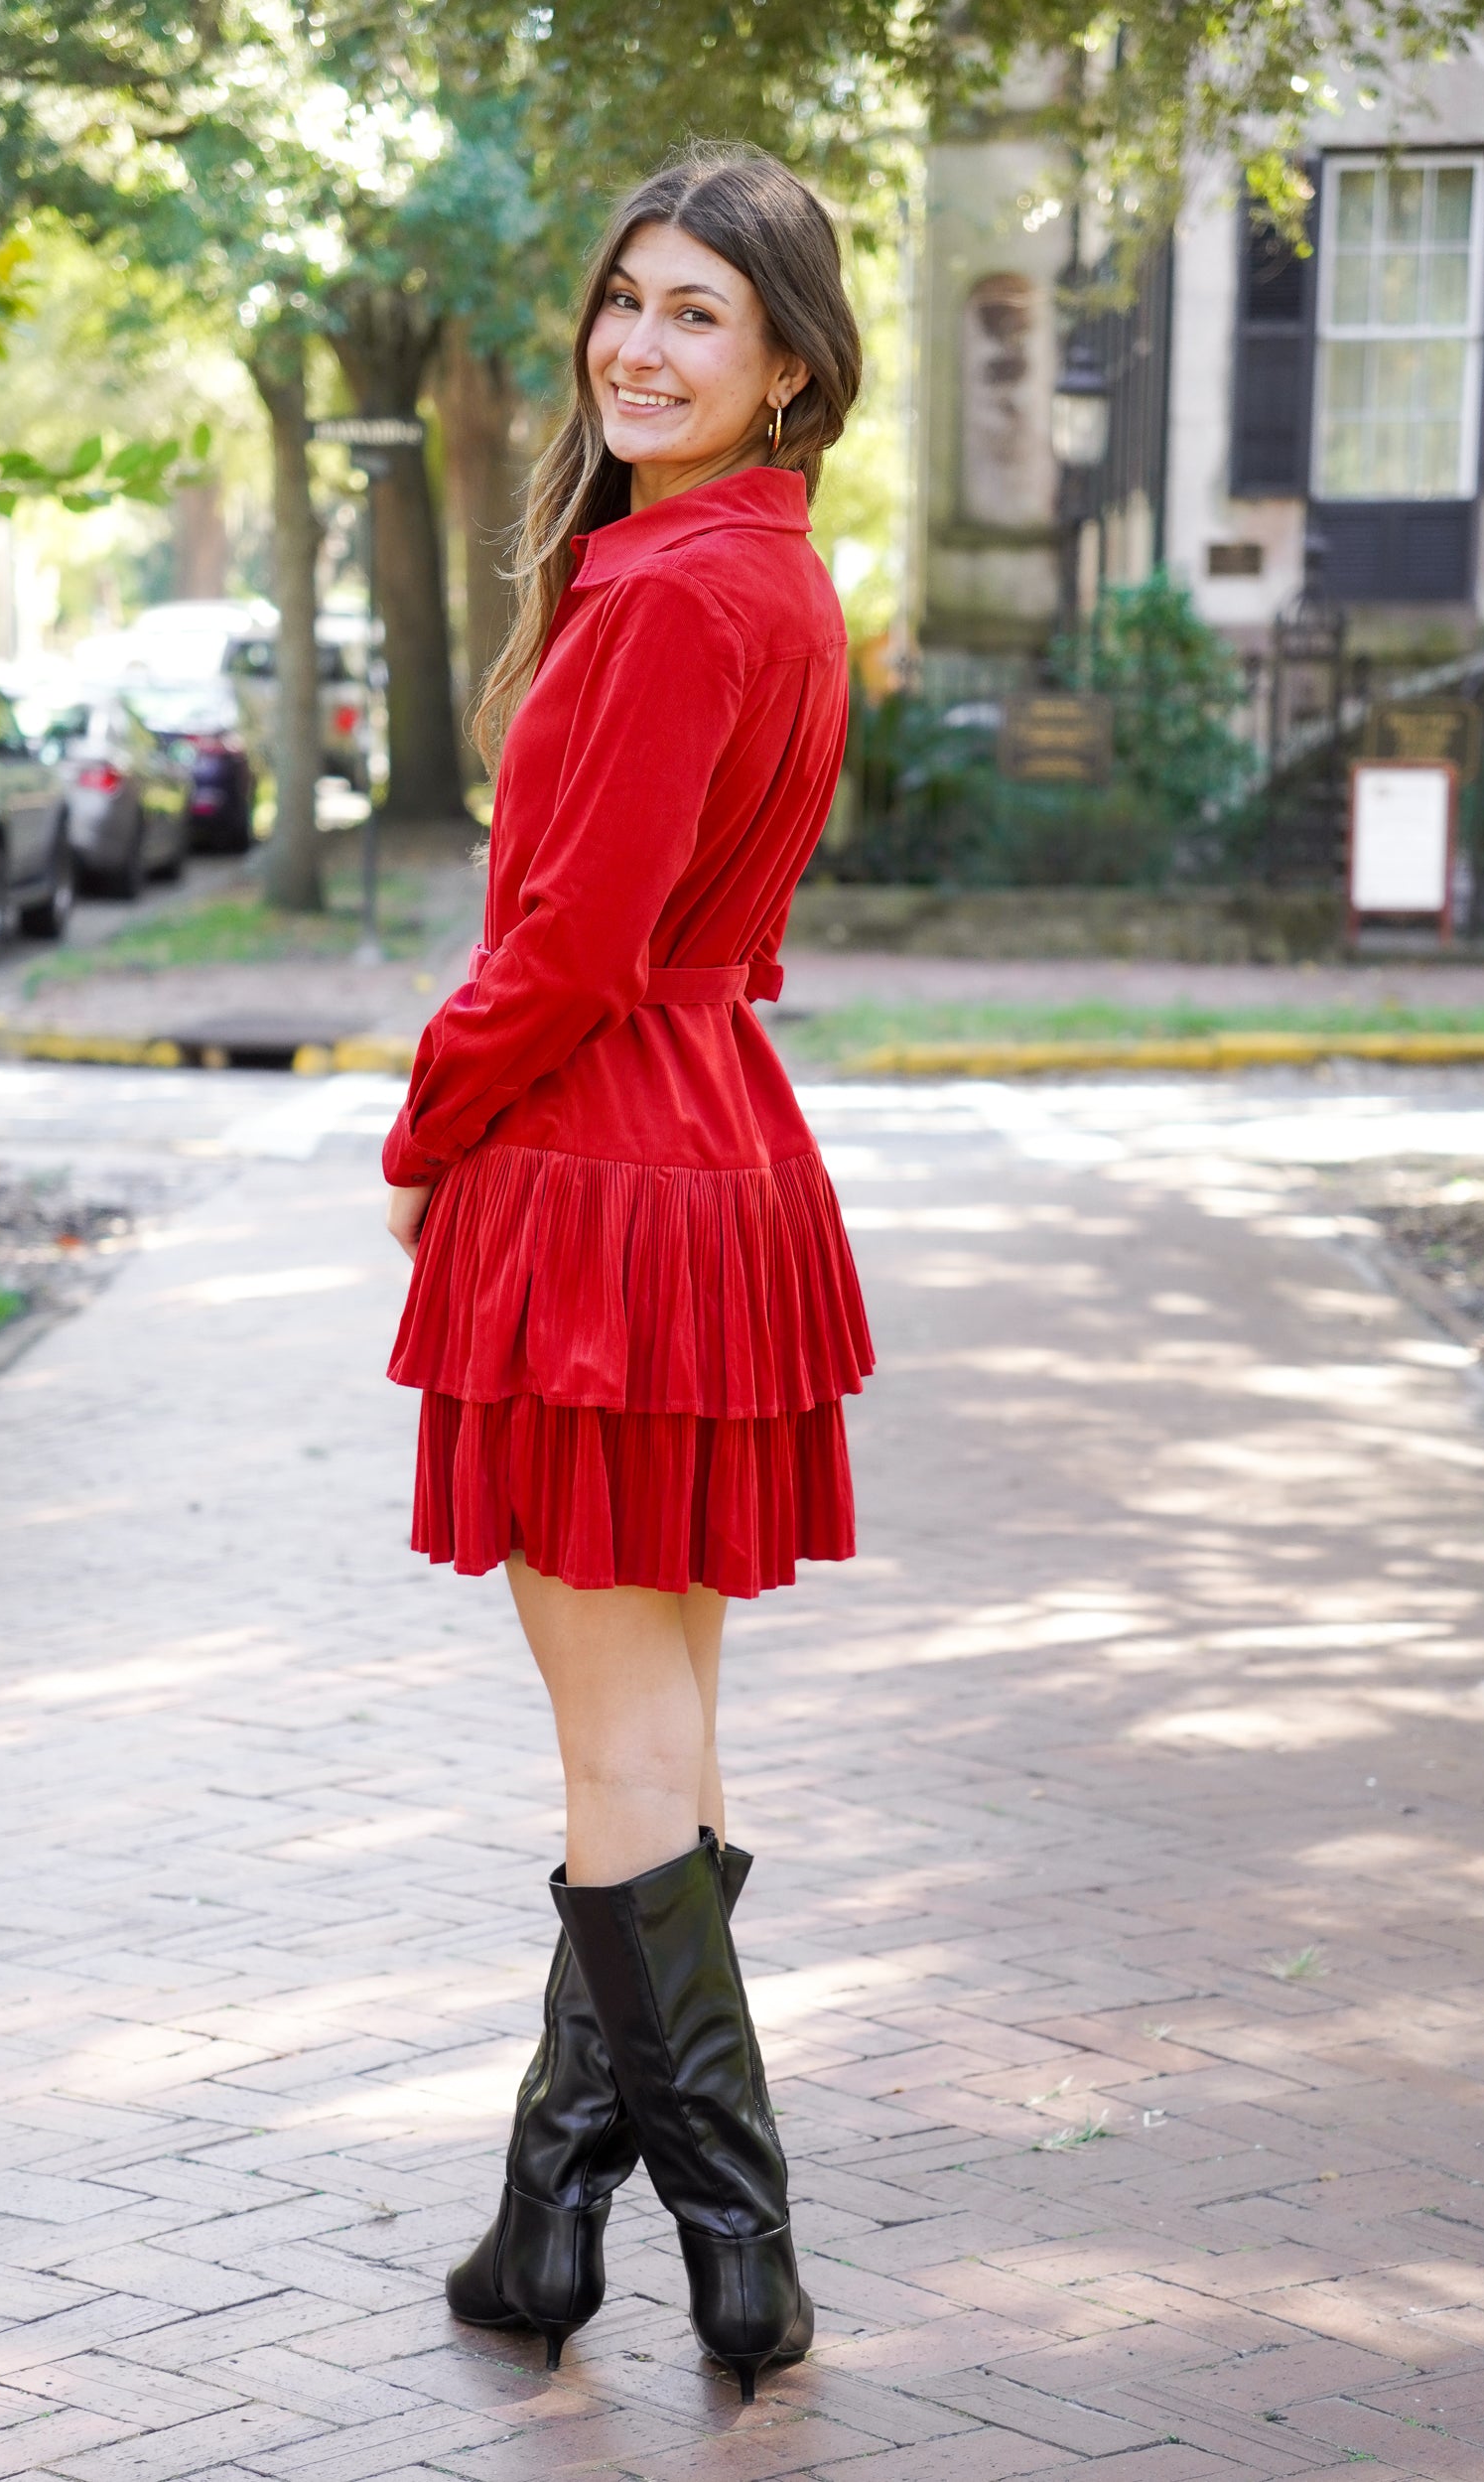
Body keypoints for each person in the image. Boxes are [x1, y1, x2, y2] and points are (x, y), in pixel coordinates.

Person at [382, 146, 873, 2403]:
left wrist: (423, 1127)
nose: (641, 345)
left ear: (787, 363)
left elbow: (568, 941)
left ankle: (740, 2245)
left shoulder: (674, 595)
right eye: (630, 300)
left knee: (619, 1748)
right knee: (655, 1745)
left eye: (701, 315)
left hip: (596, 1166)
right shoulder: (759, 579)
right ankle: (540, 2222)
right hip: (708, 1149)